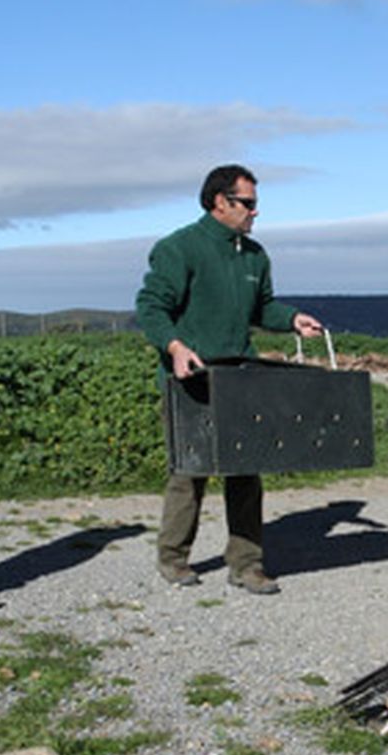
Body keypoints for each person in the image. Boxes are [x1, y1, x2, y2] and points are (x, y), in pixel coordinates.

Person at [135, 164, 323, 595]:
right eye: (248, 204)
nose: (255, 213)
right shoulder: (178, 248)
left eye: (256, 205)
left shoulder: (256, 255)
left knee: (246, 471)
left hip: (241, 379)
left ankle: (246, 565)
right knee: (189, 472)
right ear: (221, 202)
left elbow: (263, 309)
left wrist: (293, 319)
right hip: (191, 378)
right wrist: (175, 346)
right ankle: (173, 559)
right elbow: (150, 308)